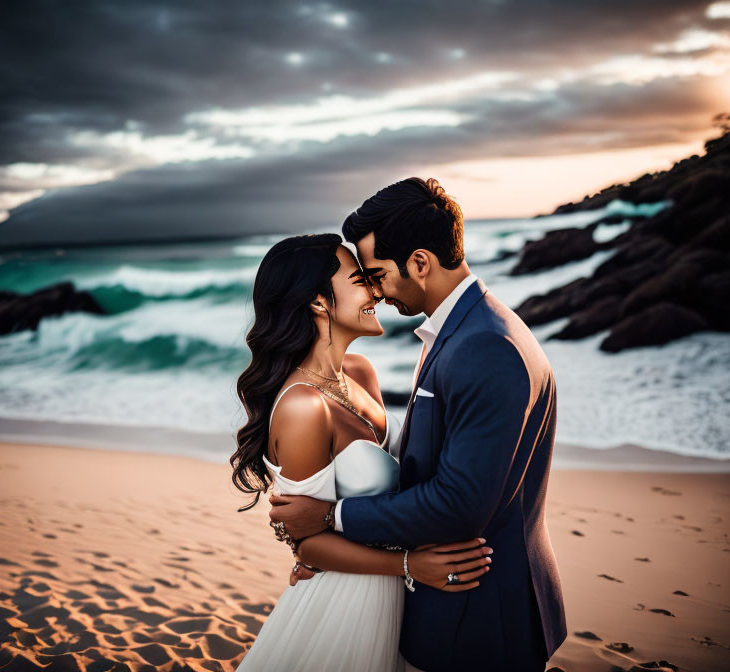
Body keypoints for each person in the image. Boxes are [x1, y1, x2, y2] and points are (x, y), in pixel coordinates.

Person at [268, 178, 567, 672]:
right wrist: (325, 547)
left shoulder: (483, 346)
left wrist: (328, 520)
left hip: (481, 609)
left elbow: (458, 505)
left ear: (420, 263)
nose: (376, 290)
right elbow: (418, 464)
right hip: (441, 597)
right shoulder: (457, 331)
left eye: (378, 273)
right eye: (362, 278)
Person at [231, 233, 492, 672]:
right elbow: (307, 544)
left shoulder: (360, 371)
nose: (375, 291)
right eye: (359, 280)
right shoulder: (301, 406)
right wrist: (410, 564)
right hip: (346, 600)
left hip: (395, 597)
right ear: (318, 301)